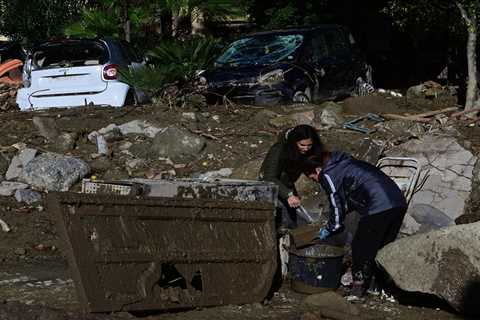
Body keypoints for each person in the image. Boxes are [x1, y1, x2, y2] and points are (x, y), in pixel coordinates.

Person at [302, 150, 407, 299]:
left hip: (378, 205)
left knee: (360, 247)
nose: (314, 180)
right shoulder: (345, 163)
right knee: (382, 248)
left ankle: (358, 289)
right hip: (398, 202)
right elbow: (351, 195)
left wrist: (331, 227)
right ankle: (380, 287)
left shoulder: (327, 174)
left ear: (317, 169)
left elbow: (335, 203)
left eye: (312, 177)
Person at [259, 124, 323, 230]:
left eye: (309, 145)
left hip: (287, 184)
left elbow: (307, 163)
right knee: (279, 220)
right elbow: (269, 177)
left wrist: (315, 172)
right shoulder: (278, 150)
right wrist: (288, 195)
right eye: (302, 145)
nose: (306, 148)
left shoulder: (307, 150)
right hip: (271, 188)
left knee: (293, 216)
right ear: (294, 142)